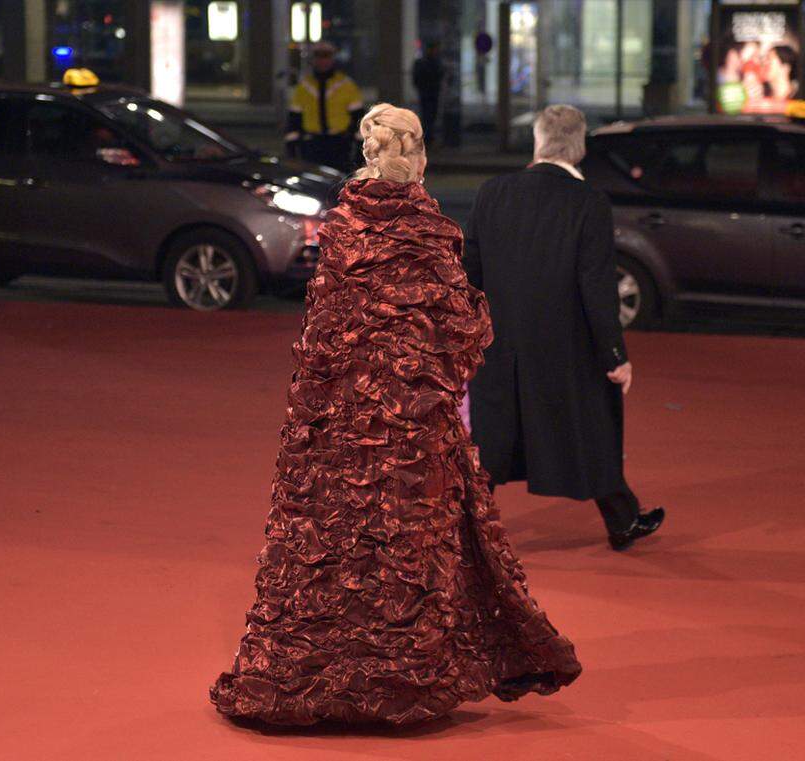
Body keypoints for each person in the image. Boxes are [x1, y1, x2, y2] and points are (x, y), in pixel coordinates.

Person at [211, 104, 581, 726]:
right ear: (419, 157)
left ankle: (319, 679)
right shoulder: (430, 229)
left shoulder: (342, 224)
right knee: (405, 544)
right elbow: (462, 331)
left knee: (331, 543)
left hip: (339, 423)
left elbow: (320, 333)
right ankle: (403, 683)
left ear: (367, 153)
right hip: (410, 424)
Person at [463, 105, 665, 552]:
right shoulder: (588, 202)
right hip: (565, 347)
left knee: (492, 442)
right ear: (580, 147)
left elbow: (469, 273)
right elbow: (596, 287)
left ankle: (468, 533)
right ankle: (622, 521)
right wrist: (614, 355)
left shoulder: (493, 192)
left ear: (538, 141)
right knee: (592, 428)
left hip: (500, 347)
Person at [285, 41, 364, 171]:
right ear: (313, 60)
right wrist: (291, 147)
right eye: (318, 57)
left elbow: (358, 118)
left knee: (339, 183)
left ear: (333, 59)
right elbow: (294, 119)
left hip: (339, 144)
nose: (322, 61)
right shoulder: (304, 86)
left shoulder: (346, 85)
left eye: (326, 57)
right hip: (311, 144)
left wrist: (359, 148)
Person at [411, 41, 445, 147]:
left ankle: (427, 138)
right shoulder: (432, 62)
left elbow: (416, 78)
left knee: (428, 116)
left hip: (427, 92)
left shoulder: (422, 62)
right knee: (429, 116)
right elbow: (438, 75)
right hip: (430, 92)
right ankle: (427, 139)